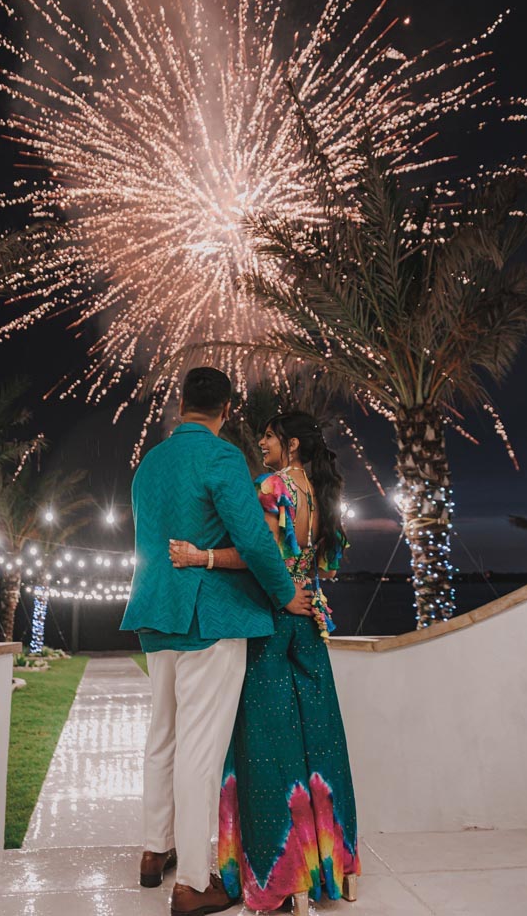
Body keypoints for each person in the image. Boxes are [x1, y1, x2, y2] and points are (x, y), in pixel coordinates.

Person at [121, 370, 313, 916]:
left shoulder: (148, 464)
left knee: (163, 736)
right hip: (211, 617)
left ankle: (155, 852)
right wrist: (283, 596)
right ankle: (194, 884)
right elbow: (253, 538)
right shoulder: (224, 458)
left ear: (180, 404)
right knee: (201, 750)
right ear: (226, 409)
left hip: (157, 615)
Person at [170, 411, 360, 912]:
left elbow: (256, 553)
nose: (262, 441)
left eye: (270, 436)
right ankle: (332, 871)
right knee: (319, 744)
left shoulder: (272, 487)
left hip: (272, 623)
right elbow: (324, 565)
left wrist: (200, 556)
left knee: (264, 750)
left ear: (291, 444)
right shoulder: (324, 495)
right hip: (310, 624)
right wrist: (302, 589)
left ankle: (281, 876)